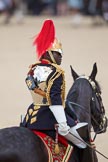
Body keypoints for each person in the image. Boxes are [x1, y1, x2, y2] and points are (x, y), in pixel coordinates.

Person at [21, 19, 87, 149]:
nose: (61, 57)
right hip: (50, 117)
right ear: (48, 53)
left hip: (31, 116)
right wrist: (63, 124)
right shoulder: (56, 72)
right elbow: (55, 99)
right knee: (82, 143)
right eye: (58, 53)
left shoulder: (32, 70)